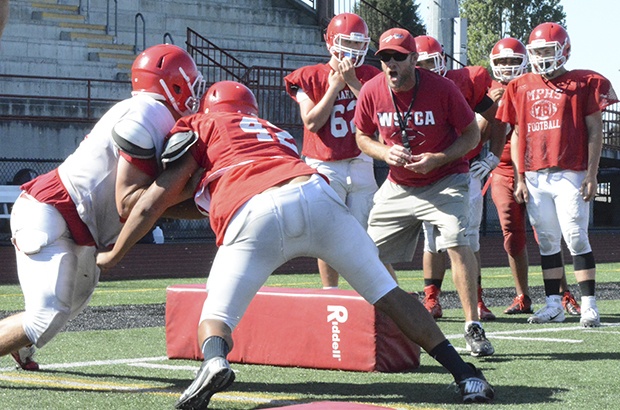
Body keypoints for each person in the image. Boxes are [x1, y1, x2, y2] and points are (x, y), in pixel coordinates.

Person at [96, 81, 495, 408]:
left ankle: (215, 360)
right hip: (317, 196)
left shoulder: (201, 124)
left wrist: (114, 253)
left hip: (255, 211)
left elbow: (152, 202)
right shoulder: (274, 132)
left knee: (216, 312)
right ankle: (464, 374)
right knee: (387, 294)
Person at [0, 44, 205, 370]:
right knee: (46, 313)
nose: (196, 94)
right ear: (173, 84)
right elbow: (130, 204)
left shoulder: (157, 117)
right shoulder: (147, 113)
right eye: (191, 84)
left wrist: (205, 204)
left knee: (59, 311)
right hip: (52, 211)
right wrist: (189, 189)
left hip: (82, 227)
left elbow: (152, 203)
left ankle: (18, 344)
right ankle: (19, 337)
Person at [354, 28, 494, 357]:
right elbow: (362, 136)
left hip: (446, 178)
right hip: (400, 184)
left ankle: (473, 325)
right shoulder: (372, 89)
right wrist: (383, 153)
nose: (390, 64)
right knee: (366, 255)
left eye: (398, 57)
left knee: (457, 242)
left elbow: (472, 135)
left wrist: (439, 158)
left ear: (414, 60)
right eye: (385, 58)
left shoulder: (442, 88)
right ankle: (404, 310)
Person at [497, 22, 618, 327]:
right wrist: (520, 177)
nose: (541, 57)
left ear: (564, 50)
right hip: (536, 174)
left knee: (576, 236)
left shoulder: (583, 82)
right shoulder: (520, 85)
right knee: (548, 241)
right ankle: (554, 303)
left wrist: (592, 173)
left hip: (570, 172)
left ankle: (589, 303)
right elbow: (516, 135)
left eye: (547, 51)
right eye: (537, 52)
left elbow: (594, 130)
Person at [284, 12, 381, 289]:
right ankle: (330, 292)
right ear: (331, 43)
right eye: (347, 43)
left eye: (359, 44)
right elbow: (312, 122)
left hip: (361, 160)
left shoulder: (371, 76)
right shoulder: (309, 76)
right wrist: (334, 87)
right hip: (324, 164)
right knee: (327, 233)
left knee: (366, 235)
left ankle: (371, 292)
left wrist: (352, 82)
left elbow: (378, 116)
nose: (354, 51)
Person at [413, 35, 505, 321]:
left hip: (466, 167)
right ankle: (431, 299)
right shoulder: (406, 90)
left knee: (469, 237)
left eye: (431, 62)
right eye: (421, 64)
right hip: (430, 169)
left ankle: (476, 300)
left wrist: (493, 157)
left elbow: (497, 115)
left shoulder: (466, 80)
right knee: (431, 239)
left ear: (442, 59)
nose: (427, 69)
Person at [487, 37, 582, 316]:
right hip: (503, 169)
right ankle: (522, 296)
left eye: (513, 60)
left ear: (525, 61)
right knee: (512, 236)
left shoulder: (535, 83)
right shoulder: (486, 90)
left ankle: (564, 293)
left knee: (548, 233)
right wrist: (490, 109)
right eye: (502, 61)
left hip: (537, 166)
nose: (506, 66)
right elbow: (474, 132)